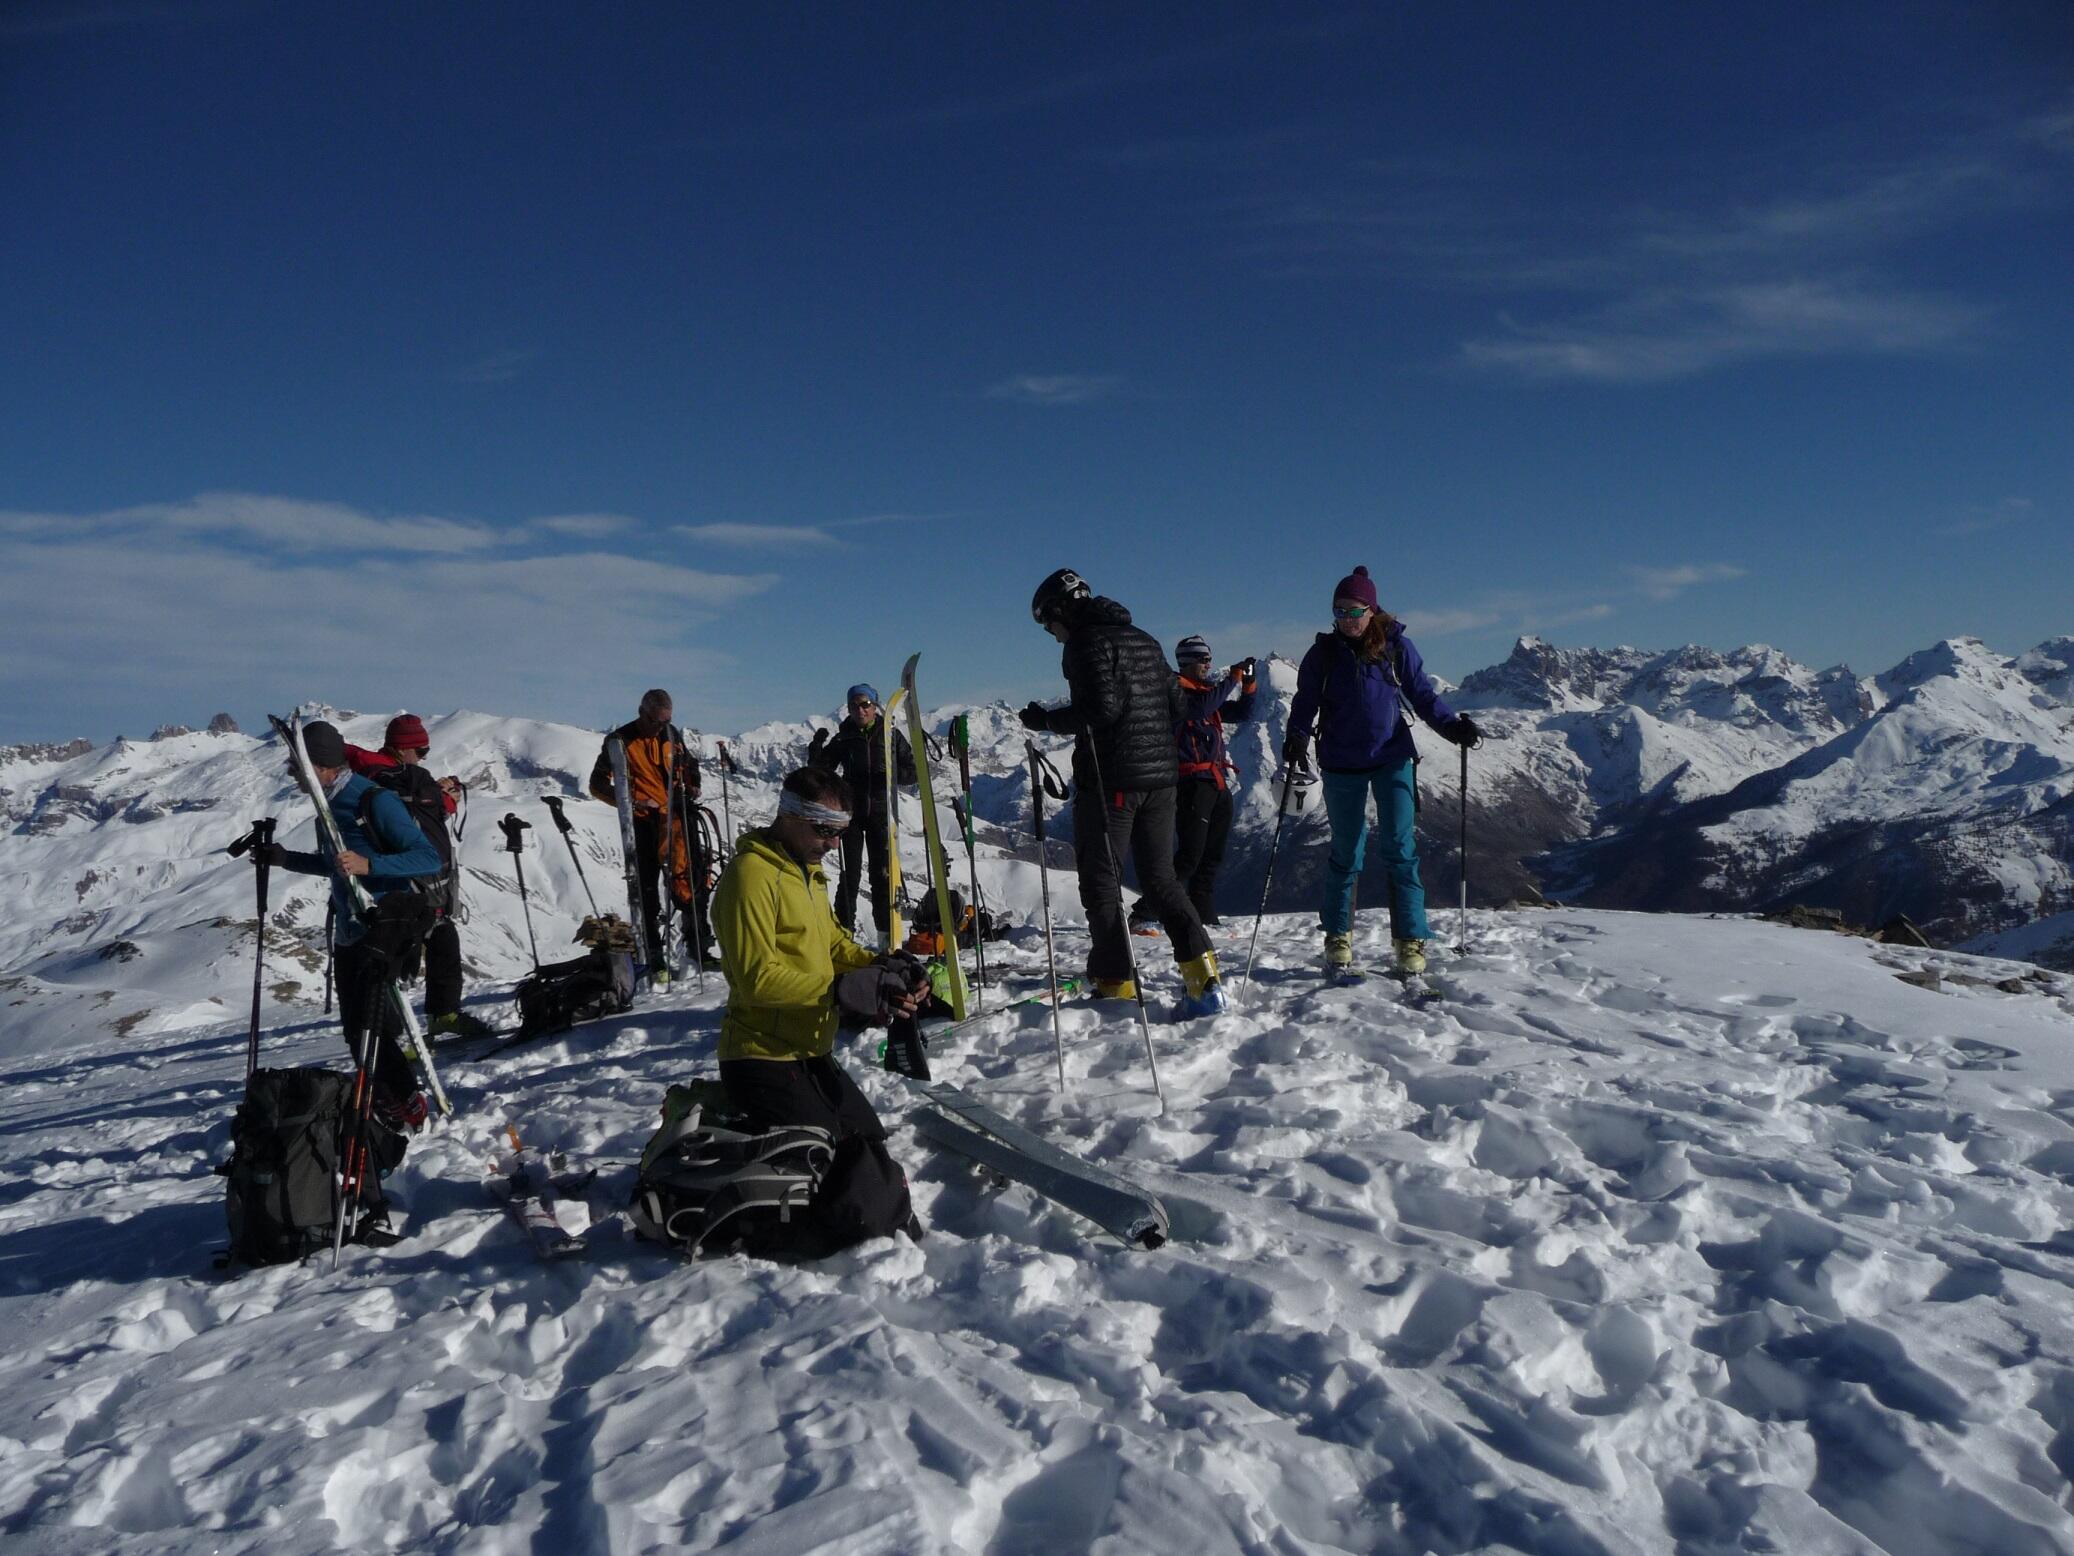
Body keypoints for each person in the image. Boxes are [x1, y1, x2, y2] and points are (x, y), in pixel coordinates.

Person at [710, 766, 926, 1248]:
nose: (832, 844)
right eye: (824, 830)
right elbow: (754, 980)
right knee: (832, 1164)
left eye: (840, 833)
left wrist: (882, 965)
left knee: (866, 1139)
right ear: (788, 815)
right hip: (760, 1055)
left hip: (809, 1051)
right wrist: (840, 990)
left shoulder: (807, 874)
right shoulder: (751, 877)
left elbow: (832, 944)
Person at [1020, 568, 1227, 1017]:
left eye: (1048, 623)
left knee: (1101, 882)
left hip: (1112, 781)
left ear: (1062, 610)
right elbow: (1179, 705)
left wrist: (1045, 721)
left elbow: (1101, 710)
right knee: (1161, 879)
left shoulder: (1084, 643)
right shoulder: (1144, 639)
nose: (1052, 634)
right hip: (1163, 781)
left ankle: (1116, 982)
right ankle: (1204, 977)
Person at [1283, 566, 1482, 975]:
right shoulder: (1323, 654)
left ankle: (1410, 941)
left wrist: (1451, 728)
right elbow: (1305, 701)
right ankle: (1338, 937)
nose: (1346, 619)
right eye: (1339, 611)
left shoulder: (1396, 648)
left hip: (1392, 757)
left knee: (1399, 848)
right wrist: (1297, 735)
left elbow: (1422, 696)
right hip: (1340, 761)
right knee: (1346, 851)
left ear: (1371, 610)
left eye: (1354, 611)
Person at [261, 719, 446, 1127]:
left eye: (296, 765)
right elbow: (336, 866)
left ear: (320, 765)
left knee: (368, 1028)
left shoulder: (371, 801)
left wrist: (370, 864)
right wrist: (286, 859)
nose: (292, 773)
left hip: (383, 925)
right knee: (356, 1029)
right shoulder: (326, 808)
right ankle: (391, 1096)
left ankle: (406, 1101)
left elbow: (429, 858)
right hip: (350, 929)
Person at [345, 714, 489, 1039]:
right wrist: (442, 797)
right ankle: (396, 1036)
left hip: (417, 881)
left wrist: (439, 796)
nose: (423, 757)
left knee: (442, 941)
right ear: (403, 748)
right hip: (407, 883)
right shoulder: (392, 781)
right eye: (421, 751)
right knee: (399, 957)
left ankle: (441, 1014)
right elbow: (411, 820)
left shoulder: (385, 775)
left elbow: (421, 817)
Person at [1128, 637, 1259, 933]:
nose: (1208, 665)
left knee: (1211, 856)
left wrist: (1249, 685)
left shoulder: (1205, 695)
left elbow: (1243, 714)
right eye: (1203, 660)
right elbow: (1198, 711)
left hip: (1215, 783)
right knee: (1189, 856)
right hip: (1190, 785)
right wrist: (1232, 679)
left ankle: (1204, 915)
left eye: (1209, 660)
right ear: (1186, 662)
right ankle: (1144, 913)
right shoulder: (1175, 695)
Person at [588, 689, 715, 975]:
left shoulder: (671, 734)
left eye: (665, 721)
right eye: (656, 721)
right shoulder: (619, 741)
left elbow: (688, 764)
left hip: (678, 819)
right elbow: (597, 785)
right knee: (646, 892)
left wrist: (693, 782)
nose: (660, 727)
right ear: (642, 713)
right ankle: (654, 958)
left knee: (691, 882)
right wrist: (633, 803)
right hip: (644, 824)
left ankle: (699, 949)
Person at [807, 683, 917, 939]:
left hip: (880, 813)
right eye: (854, 705)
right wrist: (816, 747)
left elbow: (912, 771)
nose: (860, 710)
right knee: (850, 876)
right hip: (852, 816)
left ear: (875, 706)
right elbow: (820, 771)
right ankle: (843, 934)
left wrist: (891, 774)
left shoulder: (890, 735)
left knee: (882, 876)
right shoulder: (844, 737)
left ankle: (885, 936)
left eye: (865, 704)